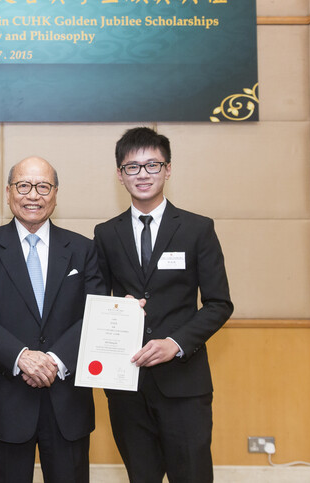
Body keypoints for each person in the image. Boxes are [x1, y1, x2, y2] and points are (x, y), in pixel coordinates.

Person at [93, 126, 234, 483]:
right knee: (141, 475)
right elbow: (97, 299)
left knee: (193, 475)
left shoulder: (197, 229)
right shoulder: (106, 233)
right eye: (132, 167)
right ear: (120, 175)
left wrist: (176, 343)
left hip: (184, 383)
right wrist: (116, 307)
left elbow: (219, 304)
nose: (143, 174)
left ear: (168, 169)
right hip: (126, 382)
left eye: (152, 165)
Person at [0, 156, 106, 483]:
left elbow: (96, 313)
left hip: (68, 400)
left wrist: (54, 360)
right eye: (24, 186)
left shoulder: (82, 249)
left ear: (55, 193)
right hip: (7, 399)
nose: (33, 195)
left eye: (43, 186)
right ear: (8, 192)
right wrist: (21, 357)